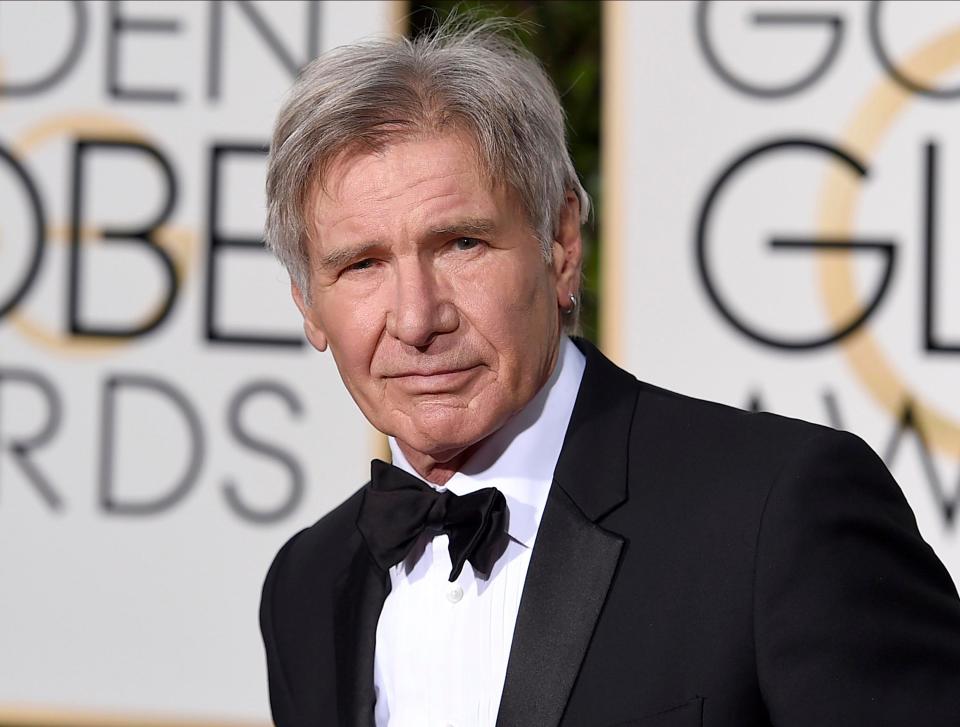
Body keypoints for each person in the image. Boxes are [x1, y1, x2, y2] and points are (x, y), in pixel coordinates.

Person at [258, 15, 960, 727]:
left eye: (461, 243)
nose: (415, 319)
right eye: (362, 265)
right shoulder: (308, 586)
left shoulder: (775, 516)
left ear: (561, 243)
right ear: (308, 304)